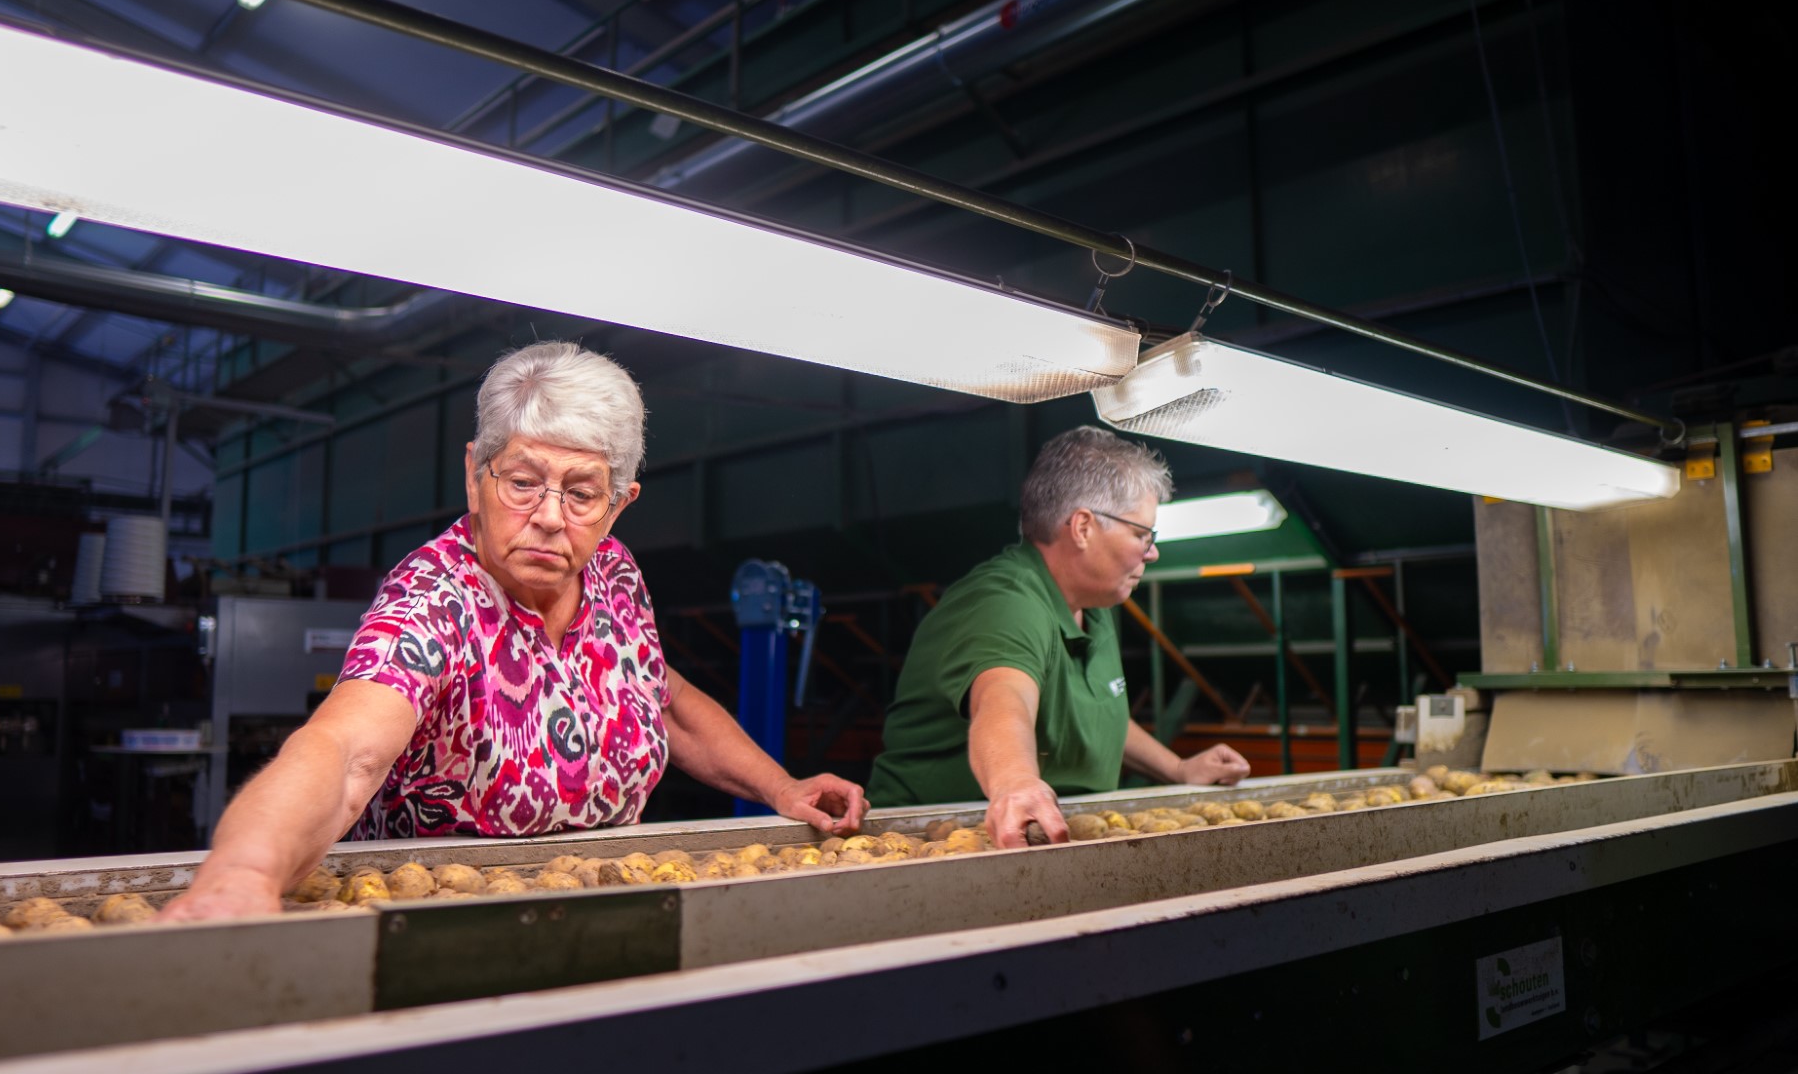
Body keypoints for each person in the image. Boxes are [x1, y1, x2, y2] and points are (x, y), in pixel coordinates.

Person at [164, 343, 867, 920]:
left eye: (583, 492)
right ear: (474, 475)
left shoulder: (613, 574)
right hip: (444, 928)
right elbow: (346, 751)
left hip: (607, 913)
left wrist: (782, 788)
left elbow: (661, 696)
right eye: (523, 482)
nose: (552, 515)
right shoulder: (436, 596)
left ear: (621, 504)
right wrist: (244, 874)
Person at [867, 426, 1249, 848]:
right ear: (1083, 527)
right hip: (929, 841)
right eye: (1142, 534)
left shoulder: (1093, 608)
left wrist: (1178, 770)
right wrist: (1015, 780)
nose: (1152, 551)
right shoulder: (1007, 601)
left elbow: (1099, 718)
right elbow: (1001, 700)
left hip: (1045, 836)